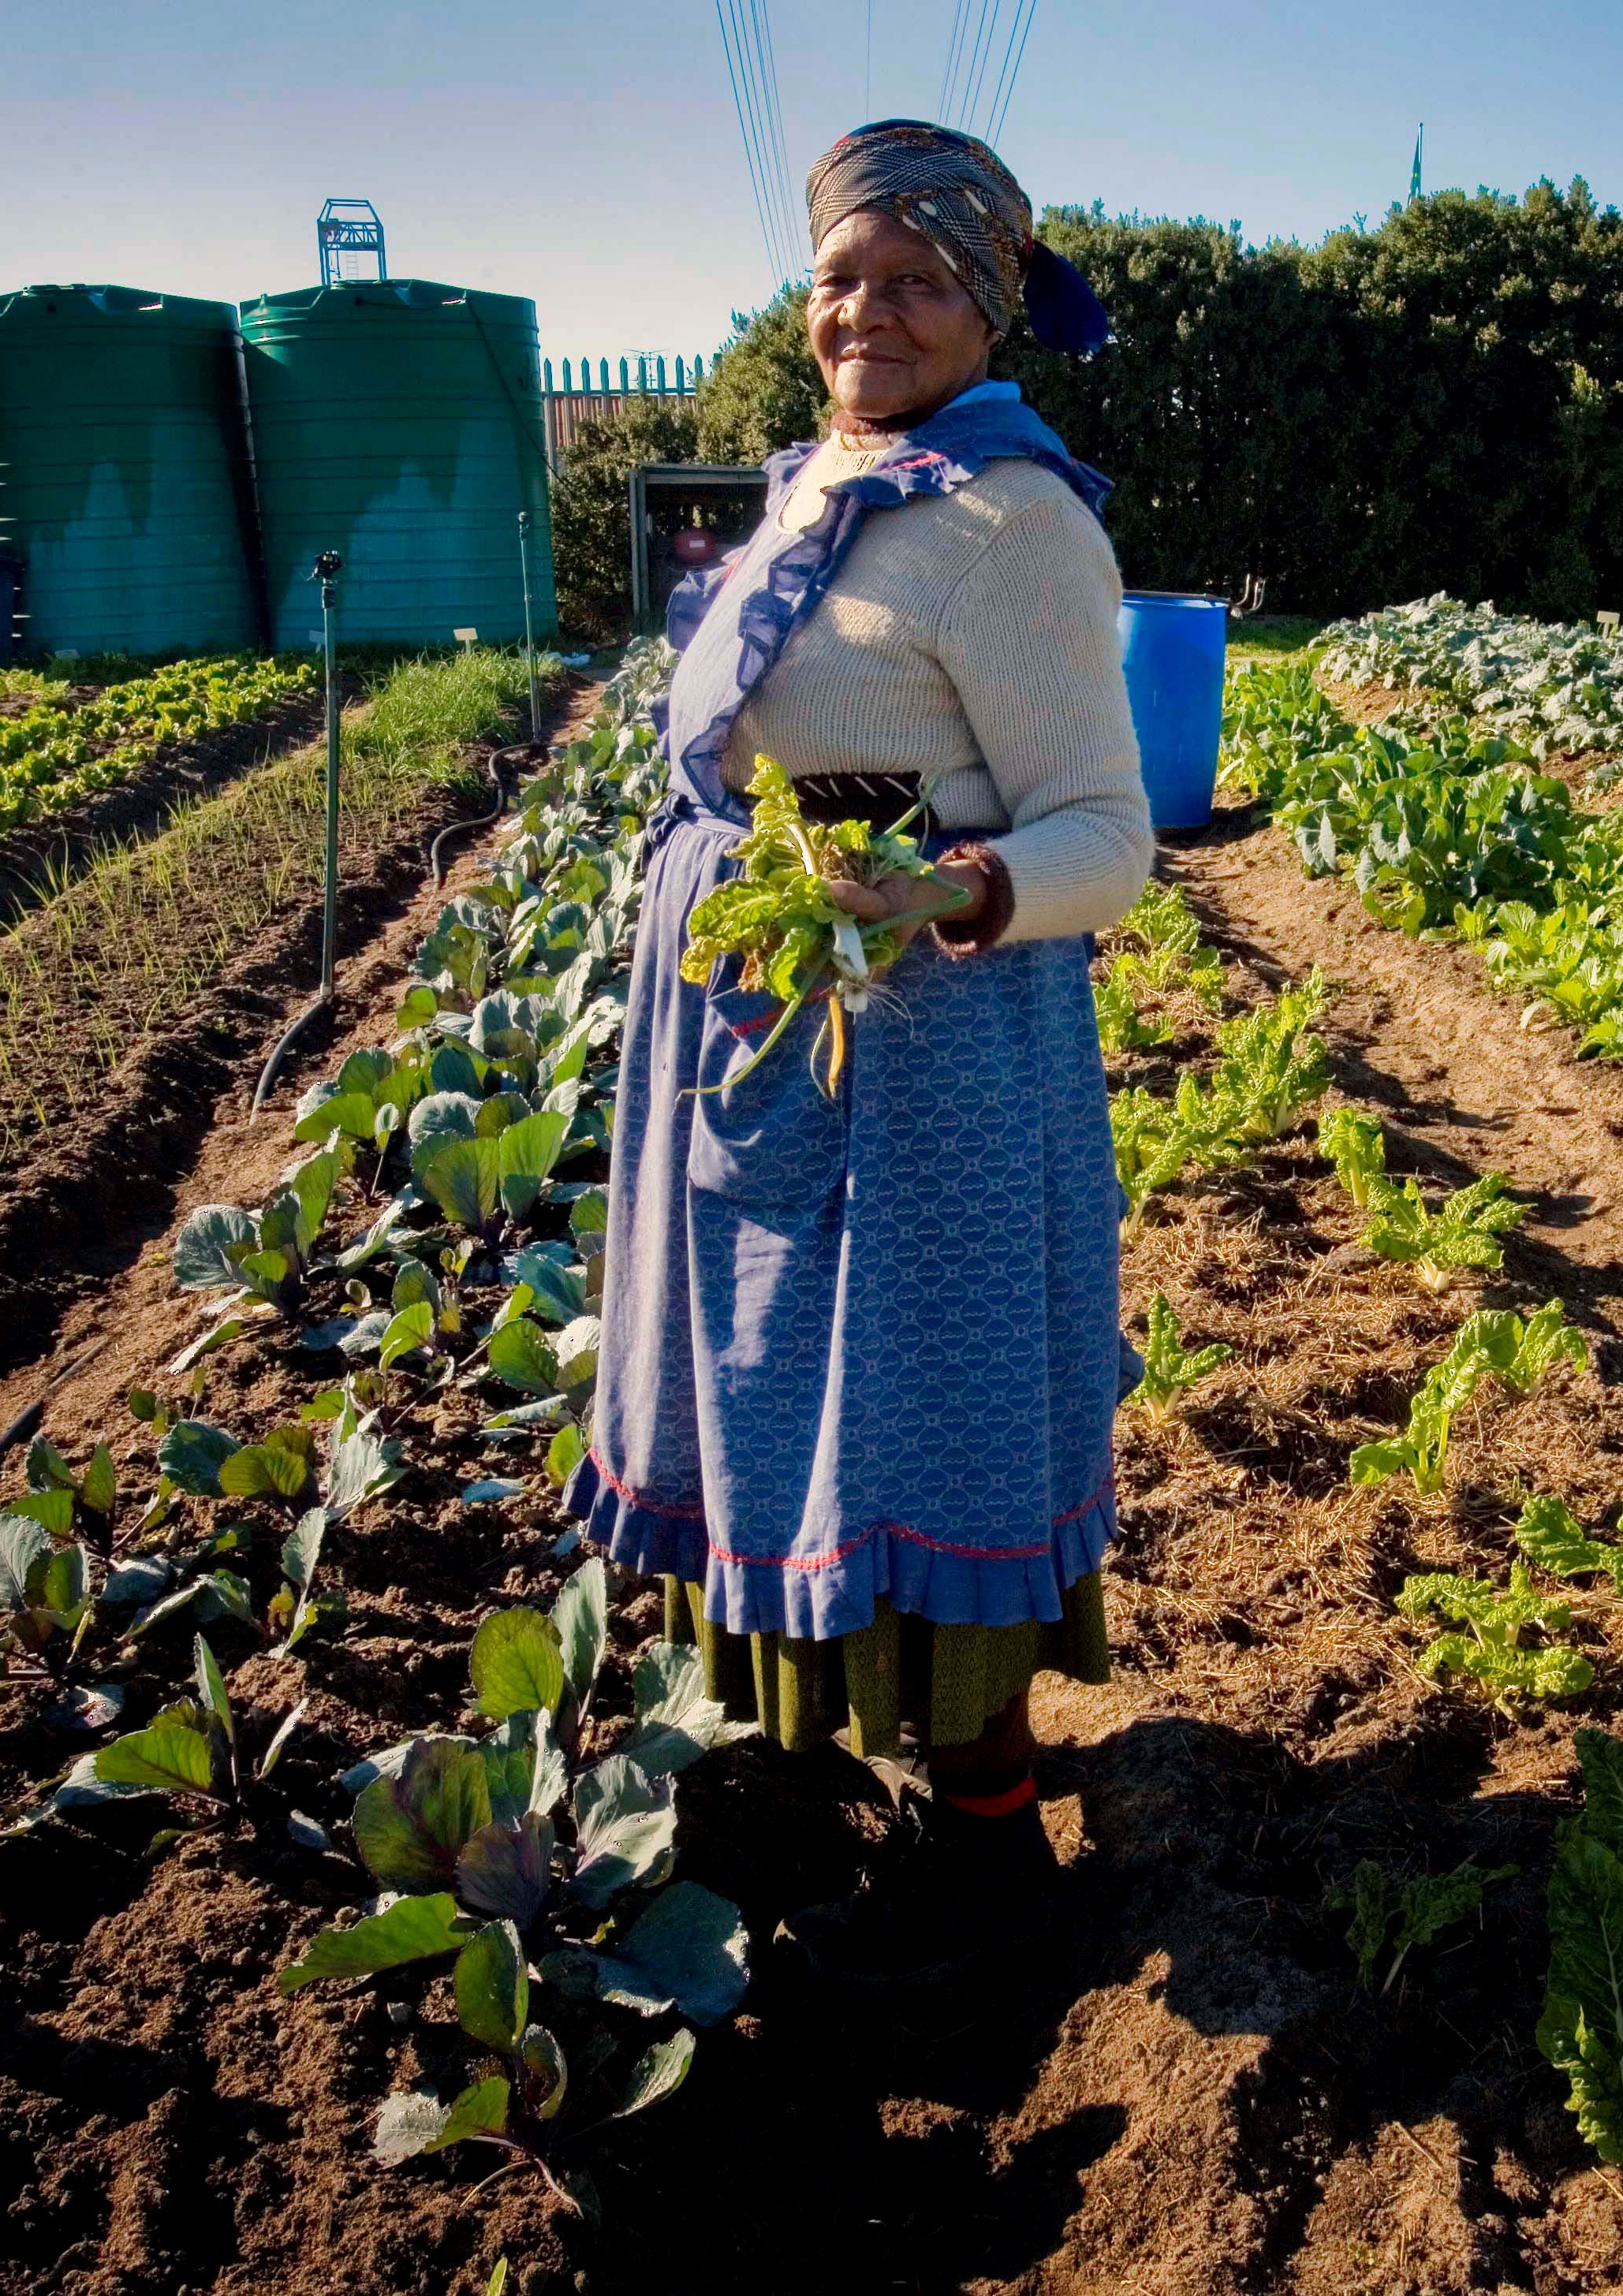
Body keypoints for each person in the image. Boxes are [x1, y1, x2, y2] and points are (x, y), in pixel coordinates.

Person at [566, 118, 1148, 1975]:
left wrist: (948, 891)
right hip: (756, 1034)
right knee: (765, 1391)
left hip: (929, 1061)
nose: (868, 313)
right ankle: (802, 1770)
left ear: (987, 306)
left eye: (912, 281)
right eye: (840, 279)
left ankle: (988, 1839)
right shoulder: (827, 483)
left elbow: (1106, 833)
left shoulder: (1014, 520)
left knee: (931, 1413)